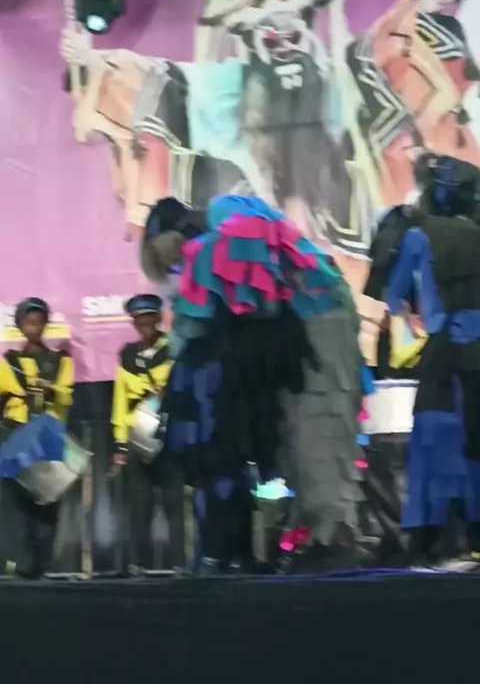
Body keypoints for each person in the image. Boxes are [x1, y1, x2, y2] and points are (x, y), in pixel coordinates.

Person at [141, 195, 365, 573]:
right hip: (303, 334)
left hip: (317, 331)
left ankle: (331, 538)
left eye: (176, 264)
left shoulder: (223, 224)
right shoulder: (227, 232)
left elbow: (211, 311)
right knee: (298, 436)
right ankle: (316, 537)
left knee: (316, 433)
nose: (181, 271)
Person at [369, 154, 480, 569]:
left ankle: (442, 542)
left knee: (438, 439)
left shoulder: (419, 235)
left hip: (444, 350)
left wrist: (418, 316)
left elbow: (393, 295)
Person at [0, 298, 74, 578]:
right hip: (16, 434)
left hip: (46, 435)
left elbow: (67, 398)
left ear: (45, 324)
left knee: (47, 498)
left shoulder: (61, 361)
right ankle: (18, 560)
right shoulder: (8, 363)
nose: (34, 326)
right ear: (19, 325)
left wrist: (50, 391)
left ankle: (42, 560)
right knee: (15, 501)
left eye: (39, 321)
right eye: (28, 321)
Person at [111, 294, 180, 571]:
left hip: (169, 435)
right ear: (134, 323)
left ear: (159, 318)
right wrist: (120, 444)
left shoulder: (174, 349)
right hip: (137, 436)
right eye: (140, 320)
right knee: (140, 505)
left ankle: (179, 563)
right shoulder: (127, 355)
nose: (145, 324)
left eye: (150, 318)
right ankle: (139, 561)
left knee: (174, 502)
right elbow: (120, 401)